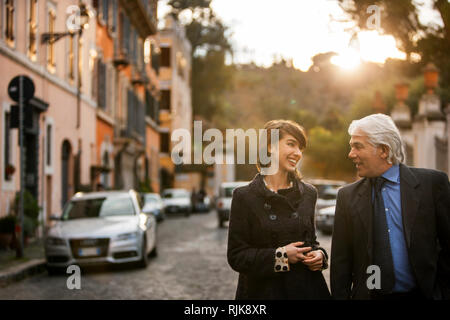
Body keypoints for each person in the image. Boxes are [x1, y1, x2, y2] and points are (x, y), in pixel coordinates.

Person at [331, 113, 450, 300]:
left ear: (384, 150)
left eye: (358, 146)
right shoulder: (346, 196)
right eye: (351, 146)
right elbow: (341, 264)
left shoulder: (433, 184)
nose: (351, 154)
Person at [227, 120, 331, 300]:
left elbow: (310, 241)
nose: (297, 153)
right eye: (291, 144)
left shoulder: (309, 193)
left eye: (301, 148)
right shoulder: (244, 196)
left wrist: (320, 255)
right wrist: (281, 257)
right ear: (270, 146)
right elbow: (237, 256)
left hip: (306, 290)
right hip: (262, 293)